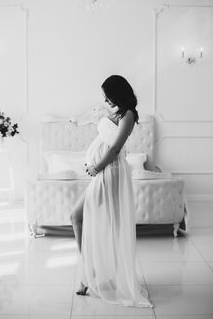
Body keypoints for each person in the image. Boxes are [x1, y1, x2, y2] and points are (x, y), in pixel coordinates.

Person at [70, 75, 153, 308]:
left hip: (110, 172)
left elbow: (115, 148)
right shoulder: (114, 112)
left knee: (105, 223)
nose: (105, 98)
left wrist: (96, 166)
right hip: (102, 172)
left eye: (108, 94)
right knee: (77, 217)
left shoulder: (128, 115)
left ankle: (94, 275)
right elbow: (100, 134)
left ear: (118, 92)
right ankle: (89, 270)